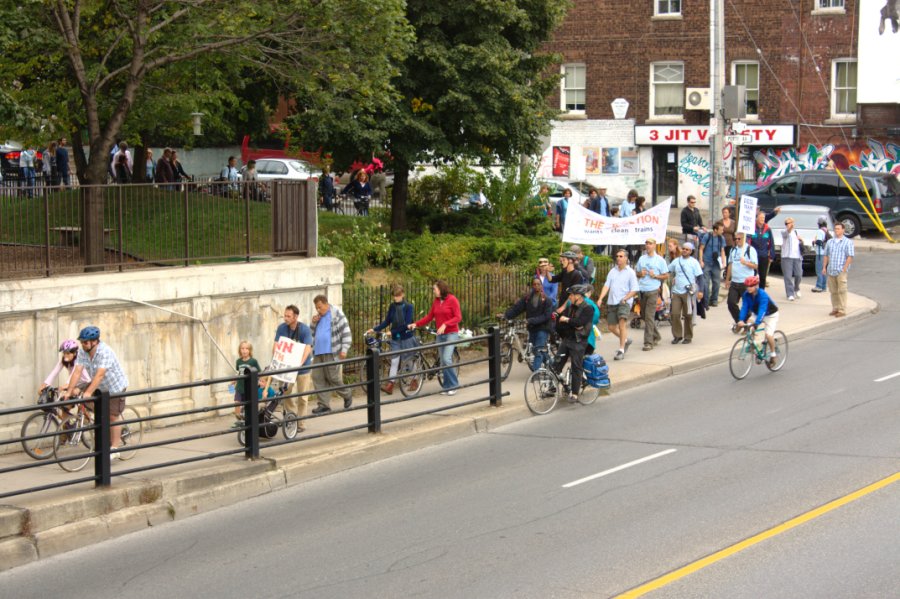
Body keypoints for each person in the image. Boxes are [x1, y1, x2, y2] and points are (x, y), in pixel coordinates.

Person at [62, 326, 129, 454]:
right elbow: (77, 372)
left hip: (114, 386)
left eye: (85, 342)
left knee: (112, 416)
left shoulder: (105, 352)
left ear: (94, 342)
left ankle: (115, 449)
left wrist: (88, 392)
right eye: (81, 342)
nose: (83, 344)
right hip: (99, 387)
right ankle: (103, 421)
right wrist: (69, 391)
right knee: (82, 398)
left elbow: (100, 375)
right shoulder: (83, 352)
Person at [410, 280, 462, 395]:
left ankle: (454, 385)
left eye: (434, 289)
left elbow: (458, 317)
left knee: (447, 358)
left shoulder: (452, 300)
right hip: (440, 335)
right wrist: (416, 324)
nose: (433, 291)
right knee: (443, 362)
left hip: (451, 333)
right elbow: (429, 317)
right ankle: (446, 386)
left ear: (441, 289)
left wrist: (445, 324)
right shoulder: (436, 301)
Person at [367, 284, 417, 394]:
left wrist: (392, 331)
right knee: (394, 361)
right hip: (395, 338)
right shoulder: (392, 306)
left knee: (408, 361)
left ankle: (414, 380)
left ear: (402, 295)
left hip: (406, 337)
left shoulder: (409, 307)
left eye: (398, 296)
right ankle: (390, 385)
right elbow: (387, 321)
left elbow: (407, 324)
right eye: (394, 296)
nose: (396, 298)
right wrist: (375, 329)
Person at [310, 295, 353, 413]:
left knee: (332, 377)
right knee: (317, 377)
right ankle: (324, 405)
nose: (318, 310)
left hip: (331, 351)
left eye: (320, 307)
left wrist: (344, 349)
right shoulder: (318, 317)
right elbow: (312, 333)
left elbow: (346, 332)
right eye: (316, 308)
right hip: (318, 351)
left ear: (326, 304)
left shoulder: (337, 314)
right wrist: (313, 323)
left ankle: (347, 393)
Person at [552, 284, 594, 403]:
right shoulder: (571, 307)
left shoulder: (588, 309)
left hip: (579, 341)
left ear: (578, 296)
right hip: (567, 339)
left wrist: (568, 320)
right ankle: (556, 386)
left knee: (576, 367)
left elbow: (579, 322)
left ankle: (575, 393)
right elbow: (563, 320)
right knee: (556, 364)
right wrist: (561, 319)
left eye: (571, 294)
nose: (569, 296)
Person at [501, 278, 553, 371]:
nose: (536, 286)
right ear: (532, 286)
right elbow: (517, 308)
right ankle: (553, 365)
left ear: (541, 286)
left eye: (538, 284)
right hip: (532, 328)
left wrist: (531, 320)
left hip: (543, 328)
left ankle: (535, 372)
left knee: (537, 349)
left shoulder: (547, 300)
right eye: (534, 284)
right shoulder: (527, 298)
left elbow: (546, 316)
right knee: (536, 349)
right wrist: (506, 315)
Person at [274, 305, 314, 428]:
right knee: (286, 392)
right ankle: (292, 417)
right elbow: (276, 345)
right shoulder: (281, 328)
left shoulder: (304, 329)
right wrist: (276, 358)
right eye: (284, 315)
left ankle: (301, 423)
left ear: (296, 317)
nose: (285, 318)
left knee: (303, 396)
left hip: (303, 367)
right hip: (287, 367)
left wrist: (300, 363)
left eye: (288, 316)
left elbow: (308, 347)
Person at [597, 249, 639, 360]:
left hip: (624, 302)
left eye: (621, 256)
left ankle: (621, 350)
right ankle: (625, 340)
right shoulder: (612, 271)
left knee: (622, 324)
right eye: (617, 256)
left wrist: (626, 298)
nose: (618, 258)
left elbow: (634, 289)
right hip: (612, 302)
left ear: (626, 258)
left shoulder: (630, 272)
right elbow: (606, 286)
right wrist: (600, 298)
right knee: (611, 327)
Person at [735, 275, 780, 367]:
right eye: (747, 286)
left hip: (770, 314)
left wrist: (757, 323)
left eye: (751, 286)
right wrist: (740, 320)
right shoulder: (746, 295)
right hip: (757, 313)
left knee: (768, 335)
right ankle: (756, 347)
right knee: (748, 323)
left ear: (756, 286)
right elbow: (744, 307)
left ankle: (773, 354)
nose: (748, 288)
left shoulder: (762, 294)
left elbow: (762, 309)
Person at [636, 238, 668, 350]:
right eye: (646, 243)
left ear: (654, 245)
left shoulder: (660, 260)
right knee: (644, 315)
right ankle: (656, 335)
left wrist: (656, 276)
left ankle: (648, 342)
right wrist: (641, 273)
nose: (648, 246)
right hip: (642, 290)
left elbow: (666, 275)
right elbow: (637, 273)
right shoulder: (642, 259)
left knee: (649, 316)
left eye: (650, 244)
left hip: (653, 290)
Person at [668, 241, 703, 344]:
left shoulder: (694, 262)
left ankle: (688, 336)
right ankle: (677, 335)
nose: (684, 250)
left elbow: (700, 277)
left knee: (688, 315)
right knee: (675, 314)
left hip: (688, 293)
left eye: (687, 249)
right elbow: (667, 270)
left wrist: (701, 291)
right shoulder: (676, 261)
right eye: (683, 248)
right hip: (676, 292)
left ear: (691, 251)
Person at [724, 232, 759, 323]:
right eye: (735, 239)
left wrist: (746, 263)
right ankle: (739, 321)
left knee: (747, 305)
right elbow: (730, 265)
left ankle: (746, 324)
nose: (737, 241)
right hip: (735, 282)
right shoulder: (733, 250)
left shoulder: (750, 249)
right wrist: (727, 279)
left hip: (746, 283)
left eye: (739, 239)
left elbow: (755, 266)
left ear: (744, 238)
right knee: (731, 303)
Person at [822, 221, 854, 318]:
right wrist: (824, 267)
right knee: (833, 291)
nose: (836, 231)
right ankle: (835, 308)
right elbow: (826, 255)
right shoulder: (830, 242)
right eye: (835, 229)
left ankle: (842, 309)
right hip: (831, 270)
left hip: (841, 270)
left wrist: (845, 268)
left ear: (843, 230)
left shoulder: (848, 242)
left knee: (842, 290)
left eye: (838, 229)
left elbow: (850, 256)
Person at [232, 341, 261, 428]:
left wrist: (258, 381)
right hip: (240, 386)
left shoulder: (253, 361)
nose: (244, 351)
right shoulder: (238, 361)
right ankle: (238, 419)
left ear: (250, 350)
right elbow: (239, 372)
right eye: (242, 348)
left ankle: (250, 420)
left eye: (246, 349)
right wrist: (234, 380)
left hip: (249, 387)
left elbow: (258, 372)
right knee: (237, 402)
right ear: (240, 350)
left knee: (249, 405)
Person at [699, 221, 727, 307]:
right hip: (707, 262)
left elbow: (722, 250)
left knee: (717, 283)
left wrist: (723, 261)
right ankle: (705, 301)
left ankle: (714, 300)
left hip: (716, 263)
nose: (722, 231)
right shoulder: (707, 236)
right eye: (721, 230)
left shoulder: (721, 238)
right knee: (706, 283)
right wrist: (701, 261)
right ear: (715, 230)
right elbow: (701, 249)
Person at [749, 208, 778, 288]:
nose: (762, 219)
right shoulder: (752, 228)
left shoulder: (768, 229)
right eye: (761, 218)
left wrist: (772, 255)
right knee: (752, 276)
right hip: (753, 256)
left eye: (764, 218)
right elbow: (748, 241)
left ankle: (761, 292)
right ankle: (752, 292)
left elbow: (771, 242)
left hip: (764, 256)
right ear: (757, 218)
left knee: (763, 277)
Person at [780, 216, 804, 301]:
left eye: (790, 223)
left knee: (799, 274)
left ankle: (796, 288)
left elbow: (800, 243)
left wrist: (801, 240)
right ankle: (790, 293)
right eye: (787, 223)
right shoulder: (784, 231)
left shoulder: (796, 232)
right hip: (787, 256)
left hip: (797, 257)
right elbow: (786, 234)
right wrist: (789, 228)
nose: (788, 225)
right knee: (788, 276)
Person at [589, 187, 611, 255]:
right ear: (599, 190)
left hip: (605, 222)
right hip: (598, 222)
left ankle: (598, 251)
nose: (603, 191)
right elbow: (591, 210)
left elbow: (607, 210)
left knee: (605, 239)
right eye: (602, 189)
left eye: (605, 189)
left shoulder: (606, 200)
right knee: (598, 238)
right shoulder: (596, 199)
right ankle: (597, 253)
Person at [811, 217, 831, 293]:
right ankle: (823, 286)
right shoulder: (826, 231)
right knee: (824, 270)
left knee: (819, 270)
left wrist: (814, 241)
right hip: (825, 254)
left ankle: (818, 286)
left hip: (820, 253)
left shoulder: (820, 231)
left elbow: (819, 242)